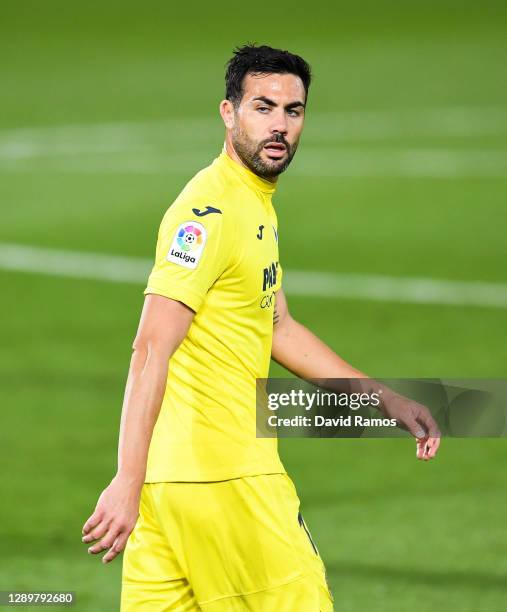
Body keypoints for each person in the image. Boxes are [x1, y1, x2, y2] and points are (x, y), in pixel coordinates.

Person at [82, 44, 440, 611]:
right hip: (229, 481)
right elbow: (151, 347)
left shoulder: (253, 204)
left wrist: (381, 398)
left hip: (167, 490)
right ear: (228, 113)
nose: (279, 126)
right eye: (263, 107)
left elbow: (277, 327)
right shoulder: (210, 212)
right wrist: (125, 481)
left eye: (292, 111)